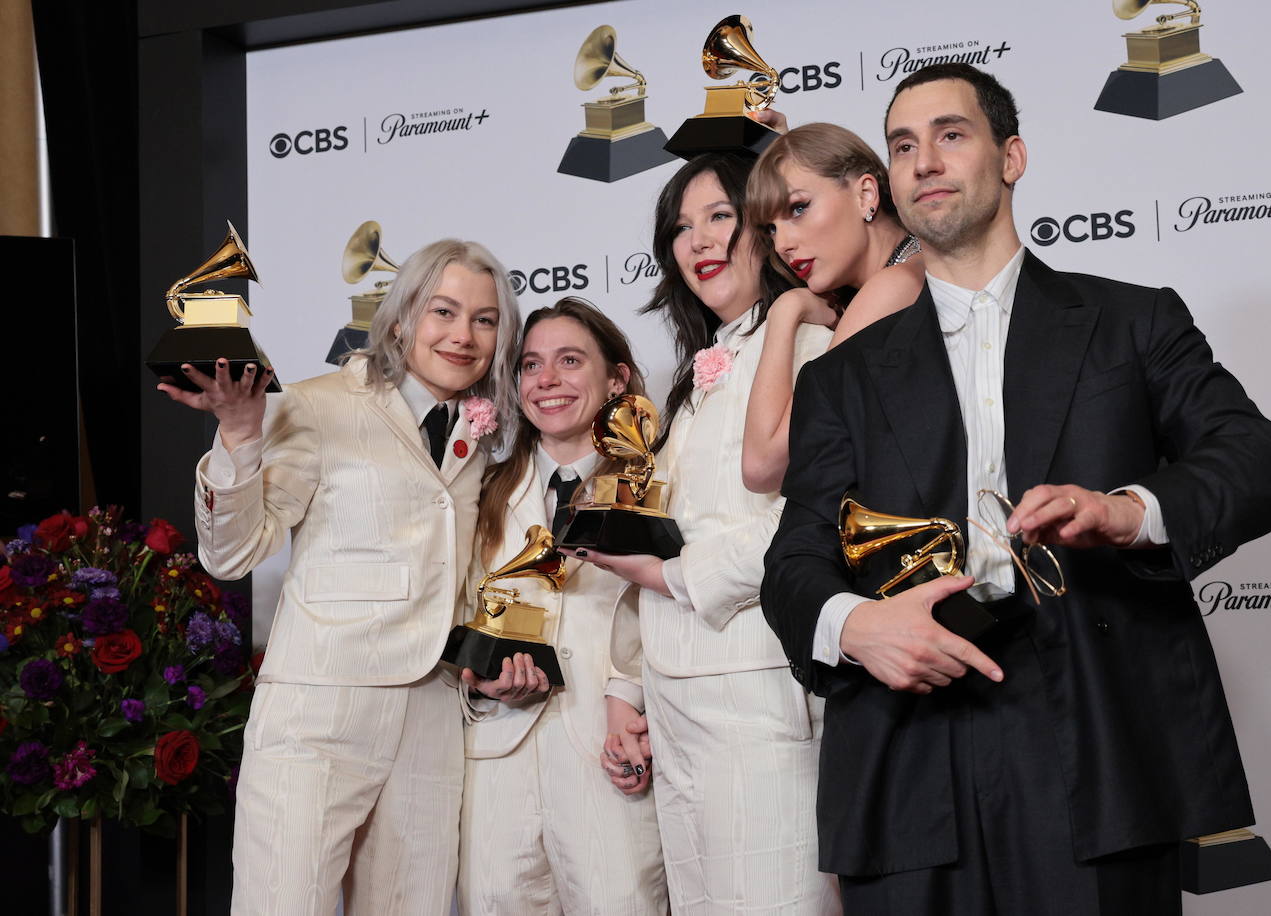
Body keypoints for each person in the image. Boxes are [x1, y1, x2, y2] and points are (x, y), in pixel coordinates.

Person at [760, 63, 1271, 916]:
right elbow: (793, 563)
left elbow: (1261, 459)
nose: (924, 160)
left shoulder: (1133, 320)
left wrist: (1130, 512)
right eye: (904, 145)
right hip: (907, 748)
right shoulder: (843, 378)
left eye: (951, 134)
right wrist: (859, 626)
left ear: (1011, 157)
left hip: (1097, 733)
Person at [158, 239, 522, 916]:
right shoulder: (318, 406)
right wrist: (239, 440)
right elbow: (233, 554)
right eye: (444, 311)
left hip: (432, 718)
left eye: (485, 319)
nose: (463, 335)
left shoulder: (486, 434)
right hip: (320, 713)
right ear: (402, 318)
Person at [579, 152, 841, 914]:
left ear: (763, 225)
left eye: (719, 216)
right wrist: (627, 689)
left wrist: (667, 577)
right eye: (680, 228)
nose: (699, 241)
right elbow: (665, 532)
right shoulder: (695, 378)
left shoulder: (811, 348)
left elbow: (807, 521)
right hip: (677, 706)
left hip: (762, 699)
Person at [458, 297, 668, 915]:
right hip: (496, 770)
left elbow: (676, 609)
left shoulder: (655, 481)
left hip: (612, 756)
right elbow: (456, 622)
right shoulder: (481, 493)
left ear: (617, 378)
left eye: (570, 361)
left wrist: (630, 698)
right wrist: (481, 685)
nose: (546, 381)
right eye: (529, 365)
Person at [741, 122, 926, 493]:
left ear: (866, 194)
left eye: (798, 208)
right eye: (771, 229)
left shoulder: (895, 286)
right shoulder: (909, 272)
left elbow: (761, 468)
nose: (783, 245)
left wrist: (785, 311)